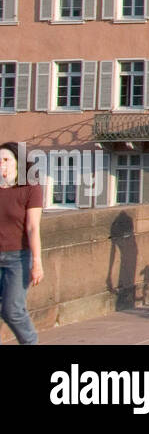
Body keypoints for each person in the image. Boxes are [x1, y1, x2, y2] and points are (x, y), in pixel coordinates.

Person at [0, 143, 42, 344]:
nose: (2, 165)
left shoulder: (30, 189)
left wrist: (37, 262)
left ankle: (30, 342)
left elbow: (33, 227)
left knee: (12, 310)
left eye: (6, 160)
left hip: (18, 258)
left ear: (18, 164)